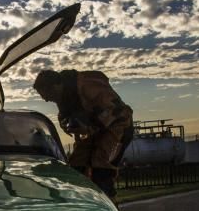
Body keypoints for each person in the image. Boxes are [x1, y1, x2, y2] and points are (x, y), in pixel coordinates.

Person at [33, 69, 133, 198]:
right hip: (95, 131)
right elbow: (66, 119)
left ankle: (108, 206)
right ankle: (80, 203)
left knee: (101, 167)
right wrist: (70, 125)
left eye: (46, 94)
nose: (46, 100)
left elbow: (113, 109)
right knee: (76, 166)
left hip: (118, 127)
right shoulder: (64, 98)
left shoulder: (86, 85)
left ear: (55, 86)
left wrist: (88, 125)